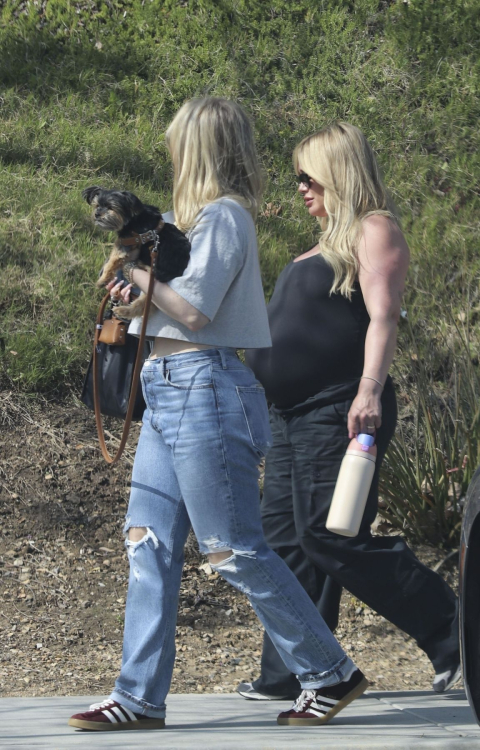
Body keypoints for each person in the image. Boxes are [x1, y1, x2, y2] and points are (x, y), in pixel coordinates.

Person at [68, 99, 369, 732]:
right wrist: (126, 300)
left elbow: (197, 312)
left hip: (205, 387)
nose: (172, 152)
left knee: (232, 549)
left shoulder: (226, 219)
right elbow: (167, 311)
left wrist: (139, 276)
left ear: (201, 147)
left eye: (179, 142)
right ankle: (139, 695)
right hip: (167, 382)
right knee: (147, 544)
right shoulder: (185, 221)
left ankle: (330, 672)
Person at [241, 123, 460, 702]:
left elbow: (384, 318)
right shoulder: (316, 246)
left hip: (340, 407)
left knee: (332, 536)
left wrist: (368, 391)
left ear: (338, 171)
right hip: (291, 416)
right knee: (285, 542)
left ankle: (453, 630)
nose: (300, 189)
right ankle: (292, 670)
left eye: (308, 177)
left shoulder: (374, 229)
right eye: (296, 179)